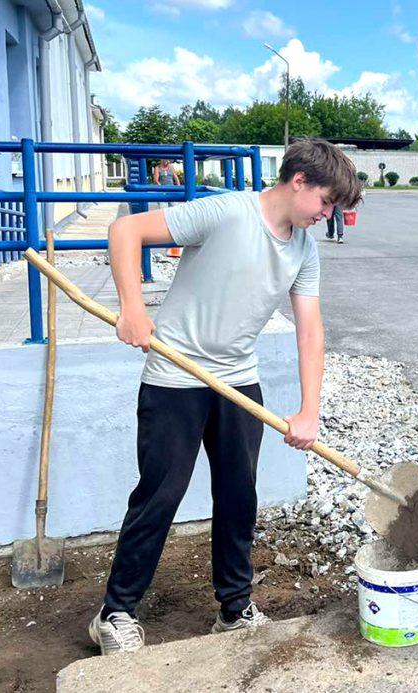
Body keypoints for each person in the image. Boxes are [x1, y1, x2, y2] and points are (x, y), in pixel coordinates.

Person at [88, 140, 362, 655]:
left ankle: (234, 609)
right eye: (325, 203)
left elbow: (310, 330)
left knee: (239, 495)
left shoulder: (304, 250)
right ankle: (116, 612)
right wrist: (132, 309)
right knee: (161, 494)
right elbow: (126, 230)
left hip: (237, 379)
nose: (327, 216)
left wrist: (309, 409)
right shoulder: (226, 212)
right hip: (174, 375)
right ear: (298, 180)